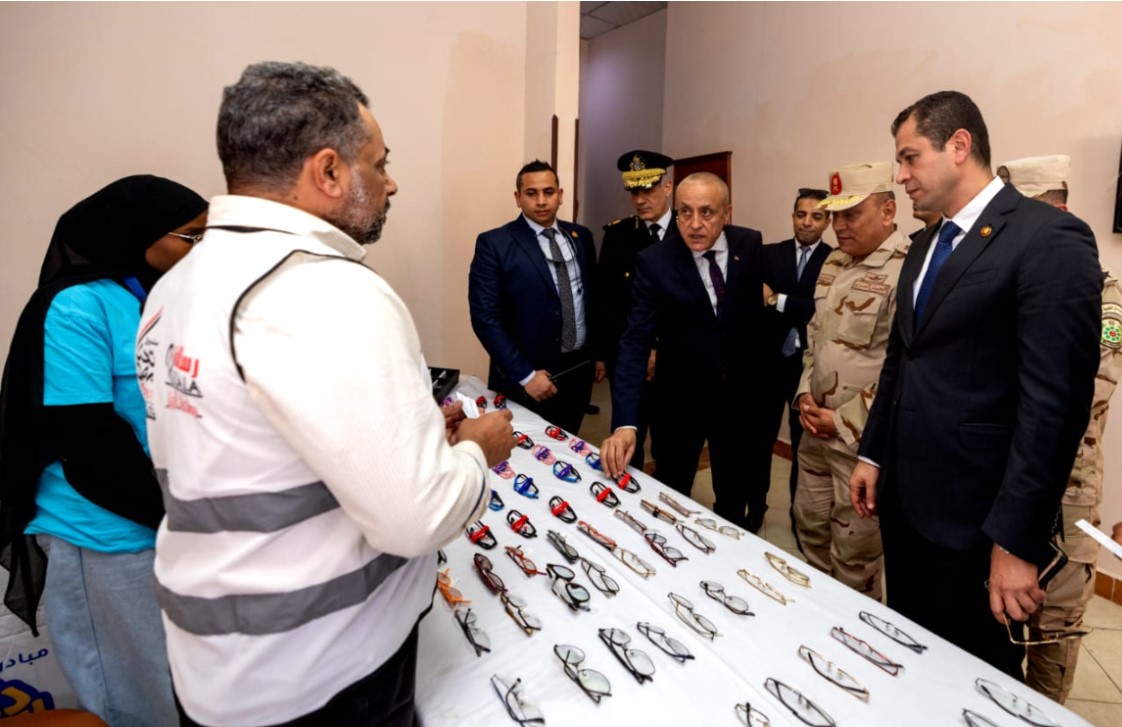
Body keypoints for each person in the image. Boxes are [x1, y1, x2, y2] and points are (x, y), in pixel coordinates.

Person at [142, 61, 514, 727]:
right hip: (322, 675)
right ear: (330, 171)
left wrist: (412, 439)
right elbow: (417, 520)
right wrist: (475, 452)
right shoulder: (325, 289)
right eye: (379, 162)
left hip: (221, 664)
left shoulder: (178, 285)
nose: (391, 182)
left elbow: (253, 448)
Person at [849, 91, 1101, 678]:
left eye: (910, 158)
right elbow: (901, 360)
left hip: (979, 520)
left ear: (959, 145)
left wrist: (1015, 542)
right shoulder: (924, 245)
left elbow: (1055, 406)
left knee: (974, 680)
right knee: (913, 660)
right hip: (907, 505)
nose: (901, 176)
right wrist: (873, 453)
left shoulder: (1046, 238)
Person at [0, 175, 208, 726]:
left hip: (168, 522)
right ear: (137, 233)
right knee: (136, 696)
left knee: (184, 690)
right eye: (191, 236)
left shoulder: (159, 300)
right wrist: (179, 516)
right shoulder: (76, 306)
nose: (201, 250)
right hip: (106, 532)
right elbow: (88, 443)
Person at [999, 154, 1122, 703]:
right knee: (998, 622)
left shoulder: (1103, 294)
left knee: (1053, 630)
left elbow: (1087, 393)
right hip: (1005, 479)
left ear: (1054, 211)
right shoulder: (1013, 280)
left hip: (1067, 496)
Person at [600, 172, 770, 531]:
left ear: (727, 213)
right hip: (678, 404)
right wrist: (626, 423)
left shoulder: (750, 244)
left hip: (738, 402)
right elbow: (634, 342)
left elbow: (752, 322)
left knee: (733, 498)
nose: (694, 224)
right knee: (671, 496)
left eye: (706, 212)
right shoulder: (655, 261)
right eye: (685, 212)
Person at [791, 163, 906, 600]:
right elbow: (815, 338)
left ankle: (857, 632)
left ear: (888, 211)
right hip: (814, 435)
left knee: (855, 558)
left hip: (860, 445)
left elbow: (905, 369)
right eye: (835, 215)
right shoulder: (834, 261)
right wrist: (804, 393)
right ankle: (818, 618)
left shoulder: (907, 270)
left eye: (851, 214)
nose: (838, 225)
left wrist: (840, 420)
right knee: (811, 532)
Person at [469, 160, 598, 434]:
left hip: (577, 372)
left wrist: (599, 355)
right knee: (524, 451)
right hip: (527, 379)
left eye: (548, 192)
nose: (541, 201)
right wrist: (526, 375)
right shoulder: (495, 244)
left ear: (560, 195)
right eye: (531, 193)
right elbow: (485, 318)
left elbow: (592, 299)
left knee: (569, 443)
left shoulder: (581, 237)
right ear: (518, 198)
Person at [595, 149, 675, 468]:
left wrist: (658, 350)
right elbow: (606, 299)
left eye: (648, 190)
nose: (640, 199)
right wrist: (602, 354)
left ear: (667, 188)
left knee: (670, 446)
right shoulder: (617, 235)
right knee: (629, 442)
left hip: (674, 360)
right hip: (627, 360)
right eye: (634, 192)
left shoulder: (688, 232)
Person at [761, 187, 833, 537]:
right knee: (759, 441)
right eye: (801, 214)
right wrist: (799, 305)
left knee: (802, 446)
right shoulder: (768, 254)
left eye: (816, 216)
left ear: (827, 221)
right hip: (766, 362)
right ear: (792, 216)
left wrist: (775, 299)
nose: (807, 222)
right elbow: (754, 300)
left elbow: (822, 309)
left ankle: (798, 517)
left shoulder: (836, 260)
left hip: (807, 369)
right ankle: (754, 507)